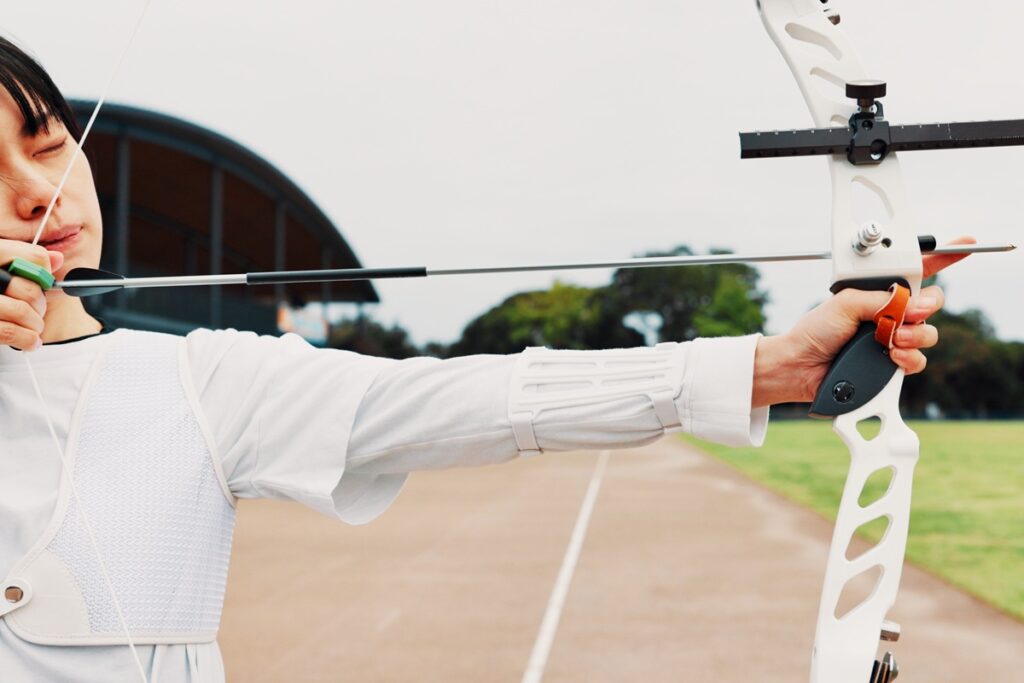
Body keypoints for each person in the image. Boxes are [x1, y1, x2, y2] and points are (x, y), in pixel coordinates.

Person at [0, 36, 966, 683]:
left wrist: (769, 366)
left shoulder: (199, 382)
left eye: (46, 145)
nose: (37, 194)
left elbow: (491, 397)